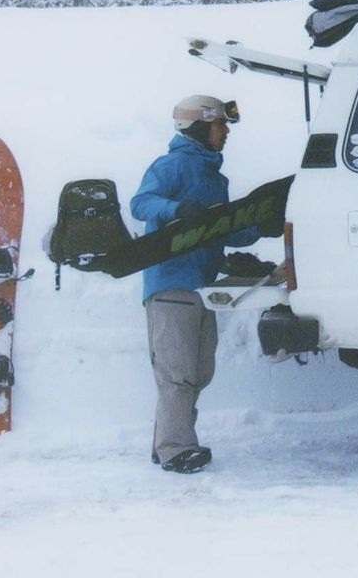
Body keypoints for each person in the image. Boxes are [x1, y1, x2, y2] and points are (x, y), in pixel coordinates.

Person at [130, 95, 261, 474]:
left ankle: (167, 441)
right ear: (201, 126)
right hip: (170, 282)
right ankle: (175, 448)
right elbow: (141, 203)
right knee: (177, 371)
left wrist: (254, 228)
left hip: (202, 285)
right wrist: (175, 210)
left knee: (199, 371)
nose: (226, 133)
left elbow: (220, 230)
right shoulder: (171, 165)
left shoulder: (214, 178)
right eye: (221, 125)